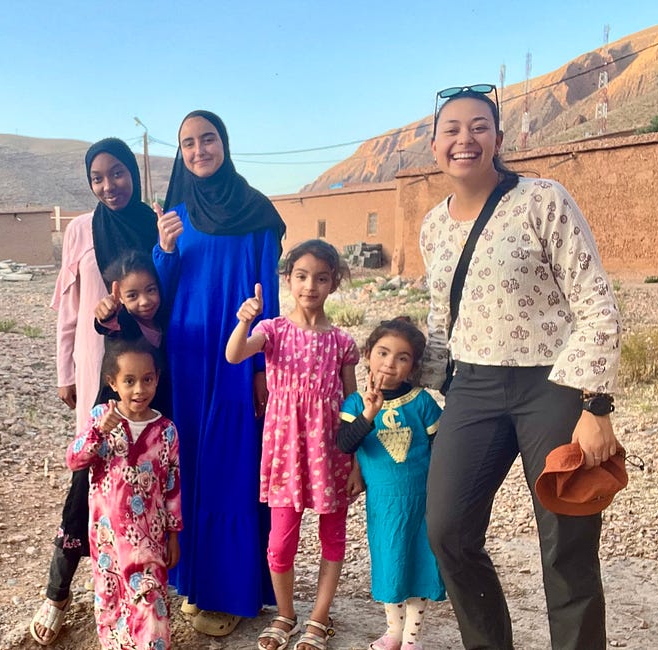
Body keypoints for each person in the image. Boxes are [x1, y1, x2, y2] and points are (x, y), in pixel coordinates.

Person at [418, 84, 622, 650]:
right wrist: (416, 390)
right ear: (434, 146)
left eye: (479, 126)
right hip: (472, 387)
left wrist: (595, 406)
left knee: (567, 543)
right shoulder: (433, 225)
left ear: (499, 139)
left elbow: (596, 302)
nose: (465, 139)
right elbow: (442, 316)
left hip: (551, 387)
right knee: (448, 531)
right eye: (452, 129)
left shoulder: (543, 199)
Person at [153, 109, 286, 636]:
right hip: (187, 356)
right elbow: (156, 294)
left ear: (224, 145)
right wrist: (163, 250)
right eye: (188, 143)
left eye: (208, 139)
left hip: (236, 354)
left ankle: (231, 593)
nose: (199, 150)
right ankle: (193, 582)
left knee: (233, 463)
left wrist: (262, 364)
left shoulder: (256, 212)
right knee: (191, 464)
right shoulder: (175, 214)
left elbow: (268, 297)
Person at [39, 138, 161, 644]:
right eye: (98, 177)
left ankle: (145, 585)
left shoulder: (155, 225)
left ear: (133, 173)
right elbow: (70, 309)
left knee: (148, 478)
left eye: (117, 173)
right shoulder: (81, 230)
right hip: (102, 378)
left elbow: (169, 291)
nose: (108, 184)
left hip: (155, 374)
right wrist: (65, 372)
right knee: (86, 478)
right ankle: (56, 594)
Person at [225, 239, 358, 650]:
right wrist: (245, 320)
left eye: (321, 277)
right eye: (301, 276)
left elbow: (352, 407)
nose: (310, 285)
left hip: (332, 454)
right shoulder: (273, 330)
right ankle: (286, 613)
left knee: (332, 537)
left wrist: (355, 463)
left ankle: (319, 617)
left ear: (333, 283)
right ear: (288, 279)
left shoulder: (342, 342)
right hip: (285, 455)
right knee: (280, 542)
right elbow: (233, 356)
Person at [337, 317, 446, 650]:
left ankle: (412, 639)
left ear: (413, 366)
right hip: (383, 503)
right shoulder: (356, 403)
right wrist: (369, 414)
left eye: (402, 358)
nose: (390, 364)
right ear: (368, 353)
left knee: (421, 565)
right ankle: (392, 633)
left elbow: (439, 448)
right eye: (383, 353)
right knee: (390, 562)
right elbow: (344, 444)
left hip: (422, 499)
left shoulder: (422, 403)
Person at [66, 338, 181, 649]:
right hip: (108, 542)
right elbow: (74, 459)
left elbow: (172, 486)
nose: (139, 389)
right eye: (129, 381)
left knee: (152, 604)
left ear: (157, 378)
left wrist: (173, 535)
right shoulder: (102, 418)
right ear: (112, 383)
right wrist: (99, 430)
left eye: (147, 379)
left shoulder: (166, 430)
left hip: (150, 542)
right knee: (112, 605)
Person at [91, 250, 171, 412]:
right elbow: (107, 326)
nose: (145, 301)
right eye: (132, 296)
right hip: (117, 415)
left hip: (154, 412)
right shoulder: (124, 324)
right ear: (120, 298)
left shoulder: (165, 321)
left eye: (151, 290)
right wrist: (106, 314)